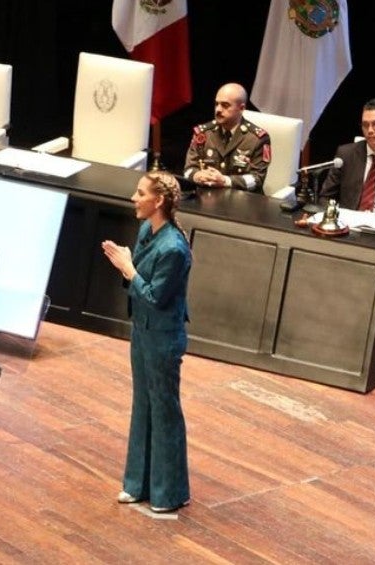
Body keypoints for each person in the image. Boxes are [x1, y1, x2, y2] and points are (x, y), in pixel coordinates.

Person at [101, 171, 192, 514]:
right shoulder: (146, 231)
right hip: (142, 330)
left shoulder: (174, 248)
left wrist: (128, 268)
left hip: (163, 337)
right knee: (143, 406)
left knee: (164, 410)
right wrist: (129, 266)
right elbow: (140, 280)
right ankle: (137, 484)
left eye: (140, 193)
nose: (134, 198)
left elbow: (155, 296)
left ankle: (169, 493)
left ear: (159, 201)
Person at [183, 83, 270, 192]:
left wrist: (225, 181)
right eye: (216, 104)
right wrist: (197, 176)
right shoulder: (203, 133)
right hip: (207, 196)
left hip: (241, 198)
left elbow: (257, 179)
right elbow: (188, 170)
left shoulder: (257, 139)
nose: (218, 109)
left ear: (241, 108)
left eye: (225, 105)